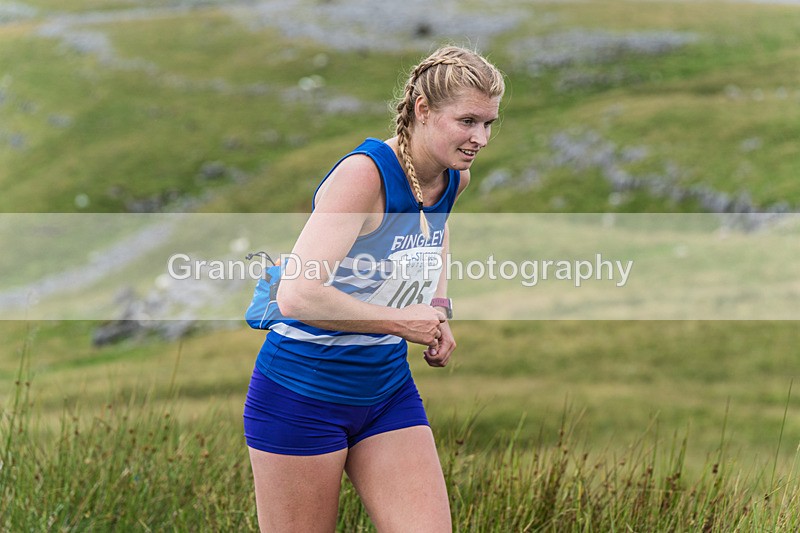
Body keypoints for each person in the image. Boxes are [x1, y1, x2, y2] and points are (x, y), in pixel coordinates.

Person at [243, 45, 505, 532]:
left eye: (489, 123)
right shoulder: (363, 175)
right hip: (302, 393)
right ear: (423, 110)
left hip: (385, 390)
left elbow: (436, 232)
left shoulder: (454, 176)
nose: (480, 138)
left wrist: (438, 307)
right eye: (468, 121)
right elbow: (297, 295)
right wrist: (403, 322)